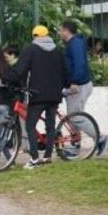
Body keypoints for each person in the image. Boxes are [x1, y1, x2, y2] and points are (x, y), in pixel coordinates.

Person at [17, 25, 68, 168]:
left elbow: (21, 69)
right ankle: (47, 156)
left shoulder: (31, 49)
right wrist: (63, 86)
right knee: (50, 126)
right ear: (47, 35)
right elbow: (65, 71)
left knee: (30, 125)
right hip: (54, 95)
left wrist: (12, 79)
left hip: (37, 94)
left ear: (34, 36)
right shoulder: (58, 51)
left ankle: (34, 158)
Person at [59, 20, 93, 116]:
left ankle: (92, 127)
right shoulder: (73, 43)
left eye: (60, 30)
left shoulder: (75, 44)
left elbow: (79, 63)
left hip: (79, 85)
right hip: (78, 84)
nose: (59, 33)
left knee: (75, 117)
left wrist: (74, 82)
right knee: (74, 117)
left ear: (66, 31)